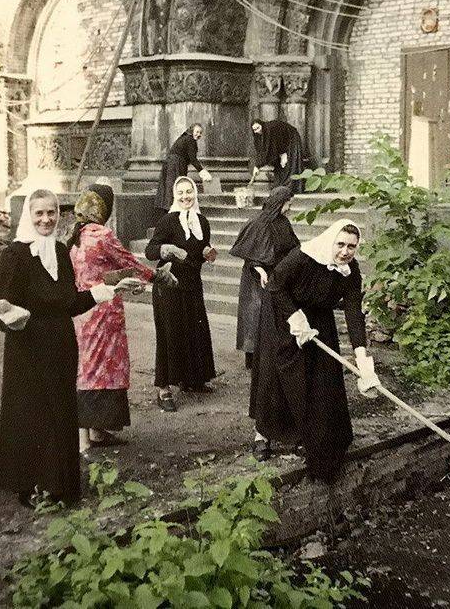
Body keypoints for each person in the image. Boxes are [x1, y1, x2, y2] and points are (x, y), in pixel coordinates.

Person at [0, 189, 128, 505]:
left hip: (61, 346)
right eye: (39, 213)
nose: (46, 219)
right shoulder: (14, 256)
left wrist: (107, 290)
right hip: (27, 349)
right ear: (29, 215)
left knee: (60, 413)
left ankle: (60, 484)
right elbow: (2, 309)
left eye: (51, 212)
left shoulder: (59, 250)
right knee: (32, 414)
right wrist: (12, 318)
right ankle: (30, 487)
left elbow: (68, 303)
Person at [253, 218, 380, 480]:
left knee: (320, 377)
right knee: (280, 375)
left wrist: (363, 362)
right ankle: (262, 433)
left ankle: (307, 433)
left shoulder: (350, 270)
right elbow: (275, 286)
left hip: (320, 319)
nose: (345, 251)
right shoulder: (303, 256)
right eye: (340, 244)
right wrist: (295, 318)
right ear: (331, 240)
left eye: (352, 247)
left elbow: (353, 312)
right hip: (283, 313)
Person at [68, 184, 163, 453]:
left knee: (86, 369)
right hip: (103, 312)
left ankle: (95, 432)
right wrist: (156, 276)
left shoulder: (74, 234)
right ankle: (84, 441)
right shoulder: (102, 234)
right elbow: (128, 262)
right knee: (98, 373)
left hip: (82, 312)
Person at [228, 186, 300, 459]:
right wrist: (259, 269)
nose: (290, 207)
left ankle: (290, 428)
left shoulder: (284, 224)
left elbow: (293, 252)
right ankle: (263, 432)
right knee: (263, 345)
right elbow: (250, 254)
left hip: (283, 286)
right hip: (262, 286)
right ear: (280, 202)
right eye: (288, 202)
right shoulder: (258, 223)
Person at [146, 176, 218, 411]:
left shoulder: (202, 222)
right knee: (170, 334)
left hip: (192, 284)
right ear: (175, 196)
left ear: (195, 194)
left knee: (194, 330)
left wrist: (207, 253)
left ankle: (192, 380)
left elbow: (199, 252)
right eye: (181, 193)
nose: (186, 197)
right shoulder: (168, 220)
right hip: (169, 285)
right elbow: (150, 251)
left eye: (189, 192)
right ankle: (163, 389)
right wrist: (166, 249)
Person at [155, 123, 212, 211]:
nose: (198, 134)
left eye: (200, 133)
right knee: (177, 186)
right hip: (176, 165)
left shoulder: (184, 137)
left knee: (170, 187)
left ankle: (169, 209)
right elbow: (193, 159)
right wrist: (202, 171)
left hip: (170, 163)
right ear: (192, 131)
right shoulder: (190, 140)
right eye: (197, 132)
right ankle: (175, 210)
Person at [250, 119, 305, 192]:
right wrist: (257, 166)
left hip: (291, 138)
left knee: (291, 164)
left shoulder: (270, 129)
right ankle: (281, 186)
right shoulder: (259, 136)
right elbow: (262, 151)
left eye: (258, 128)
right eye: (254, 130)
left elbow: (276, 144)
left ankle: (292, 187)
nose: (257, 131)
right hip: (282, 144)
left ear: (262, 125)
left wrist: (284, 154)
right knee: (279, 164)